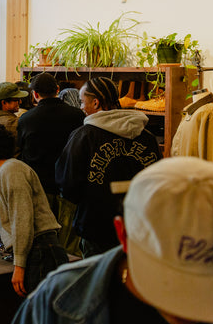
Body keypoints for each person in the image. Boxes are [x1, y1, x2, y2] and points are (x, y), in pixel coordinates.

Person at [0, 157, 213, 324]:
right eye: (172, 278)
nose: (189, 303)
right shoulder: (59, 305)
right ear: (123, 234)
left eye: (211, 281)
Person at [56, 76, 160, 257]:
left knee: (100, 281)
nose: (81, 107)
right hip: (139, 225)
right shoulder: (147, 137)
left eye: (82, 102)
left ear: (95, 103)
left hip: (96, 227)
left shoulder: (84, 136)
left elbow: (67, 182)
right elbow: (158, 179)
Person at [0, 124, 67, 297]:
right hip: (37, 250)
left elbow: (22, 218)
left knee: (41, 319)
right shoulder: (5, 172)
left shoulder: (12, 170)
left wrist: (19, 265)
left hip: (41, 251)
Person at [17, 73, 84, 255]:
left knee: (43, 240)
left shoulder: (26, 119)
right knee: (70, 244)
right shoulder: (77, 115)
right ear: (57, 90)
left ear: (35, 94)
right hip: (69, 185)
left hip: (39, 185)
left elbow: (21, 150)